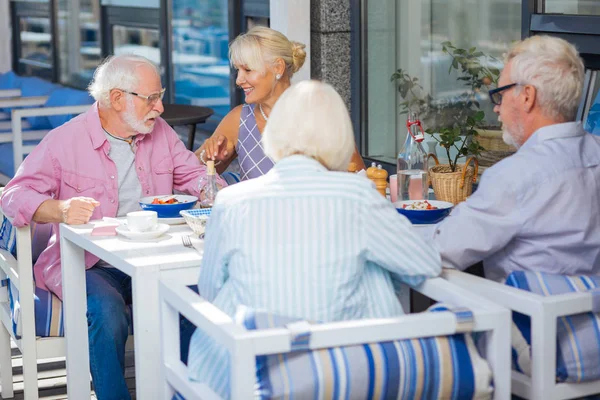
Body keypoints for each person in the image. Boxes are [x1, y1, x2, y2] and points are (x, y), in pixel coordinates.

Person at [186, 80, 442, 396]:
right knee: (371, 266)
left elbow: (211, 288)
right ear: (340, 138)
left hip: (244, 371)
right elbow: (423, 264)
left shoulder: (232, 201)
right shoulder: (357, 194)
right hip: (343, 370)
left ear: (274, 132)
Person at [0, 54, 225, 400]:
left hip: (153, 259)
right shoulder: (66, 140)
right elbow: (14, 195)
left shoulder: (160, 134)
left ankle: (182, 393)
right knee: (106, 312)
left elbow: (192, 174)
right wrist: (59, 209)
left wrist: (212, 188)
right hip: (92, 265)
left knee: (196, 302)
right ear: (118, 98)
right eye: (151, 98)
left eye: (159, 96)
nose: (161, 107)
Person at [432, 35, 600, 282]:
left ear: (527, 96)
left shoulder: (515, 176)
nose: (496, 107)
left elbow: (439, 252)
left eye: (500, 95)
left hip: (525, 318)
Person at [195, 26, 365, 179]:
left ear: (278, 68)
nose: (239, 80)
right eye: (237, 70)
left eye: (247, 69)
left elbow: (360, 178)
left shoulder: (319, 114)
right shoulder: (239, 118)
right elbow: (190, 175)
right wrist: (210, 157)